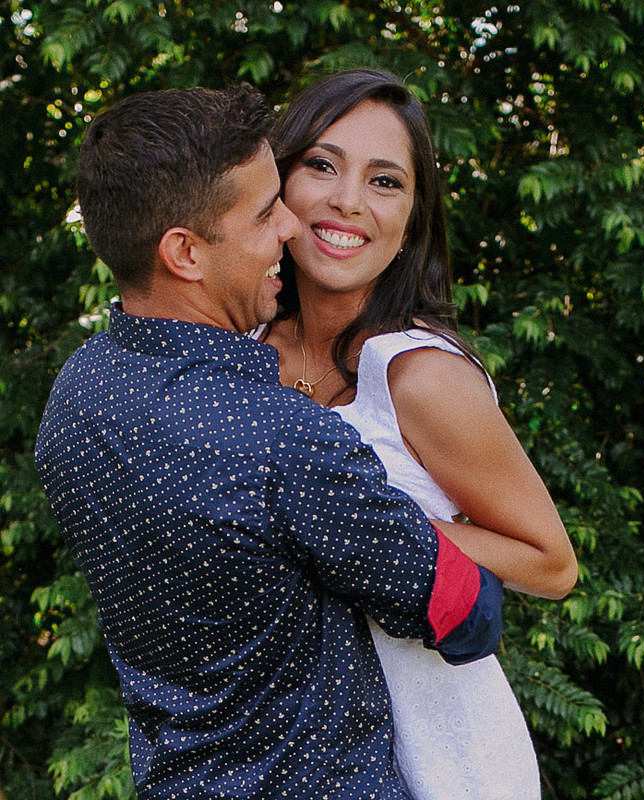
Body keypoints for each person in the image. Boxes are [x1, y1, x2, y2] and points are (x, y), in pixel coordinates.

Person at [34, 85, 505, 800]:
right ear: (185, 252)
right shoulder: (282, 440)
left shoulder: (76, 395)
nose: (292, 224)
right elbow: (468, 616)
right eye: (265, 213)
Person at [259, 69, 578, 799]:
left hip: (441, 761)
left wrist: (383, 529)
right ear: (275, 186)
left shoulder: (420, 375)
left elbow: (552, 565)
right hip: (283, 756)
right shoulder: (242, 349)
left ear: (410, 223)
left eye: (385, 182)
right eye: (322, 165)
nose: (347, 201)